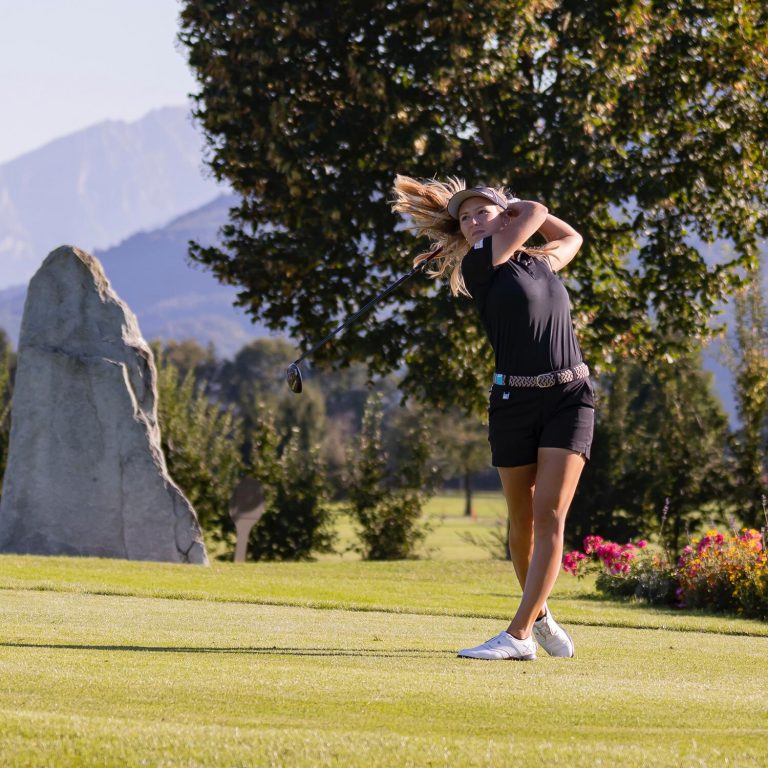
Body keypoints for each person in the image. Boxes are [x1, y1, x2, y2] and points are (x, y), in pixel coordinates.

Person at [391, 176, 594, 660]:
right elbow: (536, 212)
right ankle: (540, 615)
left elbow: (569, 236)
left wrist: (512, 207)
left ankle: (519, 634)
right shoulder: (482, 263)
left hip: (570, 396)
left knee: (548, 515)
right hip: (512, 404)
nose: (471, 221)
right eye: (464, 217)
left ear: (502, 215)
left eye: (480, 212)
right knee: (521, 520)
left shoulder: (542, 261)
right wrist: (507, 213)